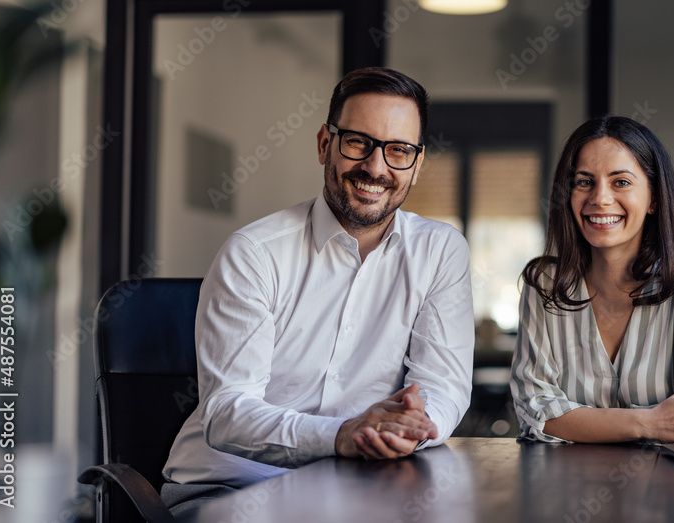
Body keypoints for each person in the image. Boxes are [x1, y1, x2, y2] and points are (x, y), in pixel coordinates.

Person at [161, 67, 474, 511]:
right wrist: (342, 435)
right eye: (358, 142)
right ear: (326, 144)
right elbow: (228, 413)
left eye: (399, 150)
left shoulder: (441, 251)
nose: (375, 167)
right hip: (231, 489)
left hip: (359, 490)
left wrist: (412, 428)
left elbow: (443, 387)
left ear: (417, 164)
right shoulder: (253, 253)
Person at [509, 115, 674, 444]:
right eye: (584, 182)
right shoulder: (545, 284)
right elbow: (537, 413)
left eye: (620, 182)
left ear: (654, 199)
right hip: (568, 487)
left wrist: (578, 421)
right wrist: (649, 422)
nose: (600, 198)